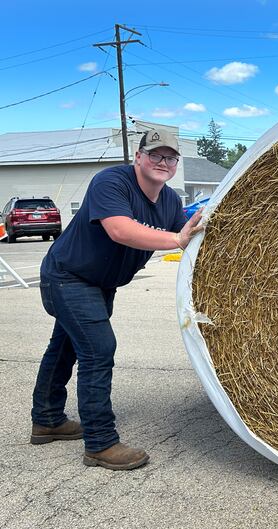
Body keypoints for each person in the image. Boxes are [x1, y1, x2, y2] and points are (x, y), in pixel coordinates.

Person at [30, 129, 204, 470]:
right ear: (138, 157)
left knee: (64, 347)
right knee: (98, 349)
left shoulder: (169, 200)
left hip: (99, 283)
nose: (162, 162)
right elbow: (120, 230)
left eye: (170, 158)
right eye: (155, 154)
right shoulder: (111, 181)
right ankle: (100, 443)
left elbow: (190, 238)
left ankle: (47, 419)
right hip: (67, 277)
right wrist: (178, 239)